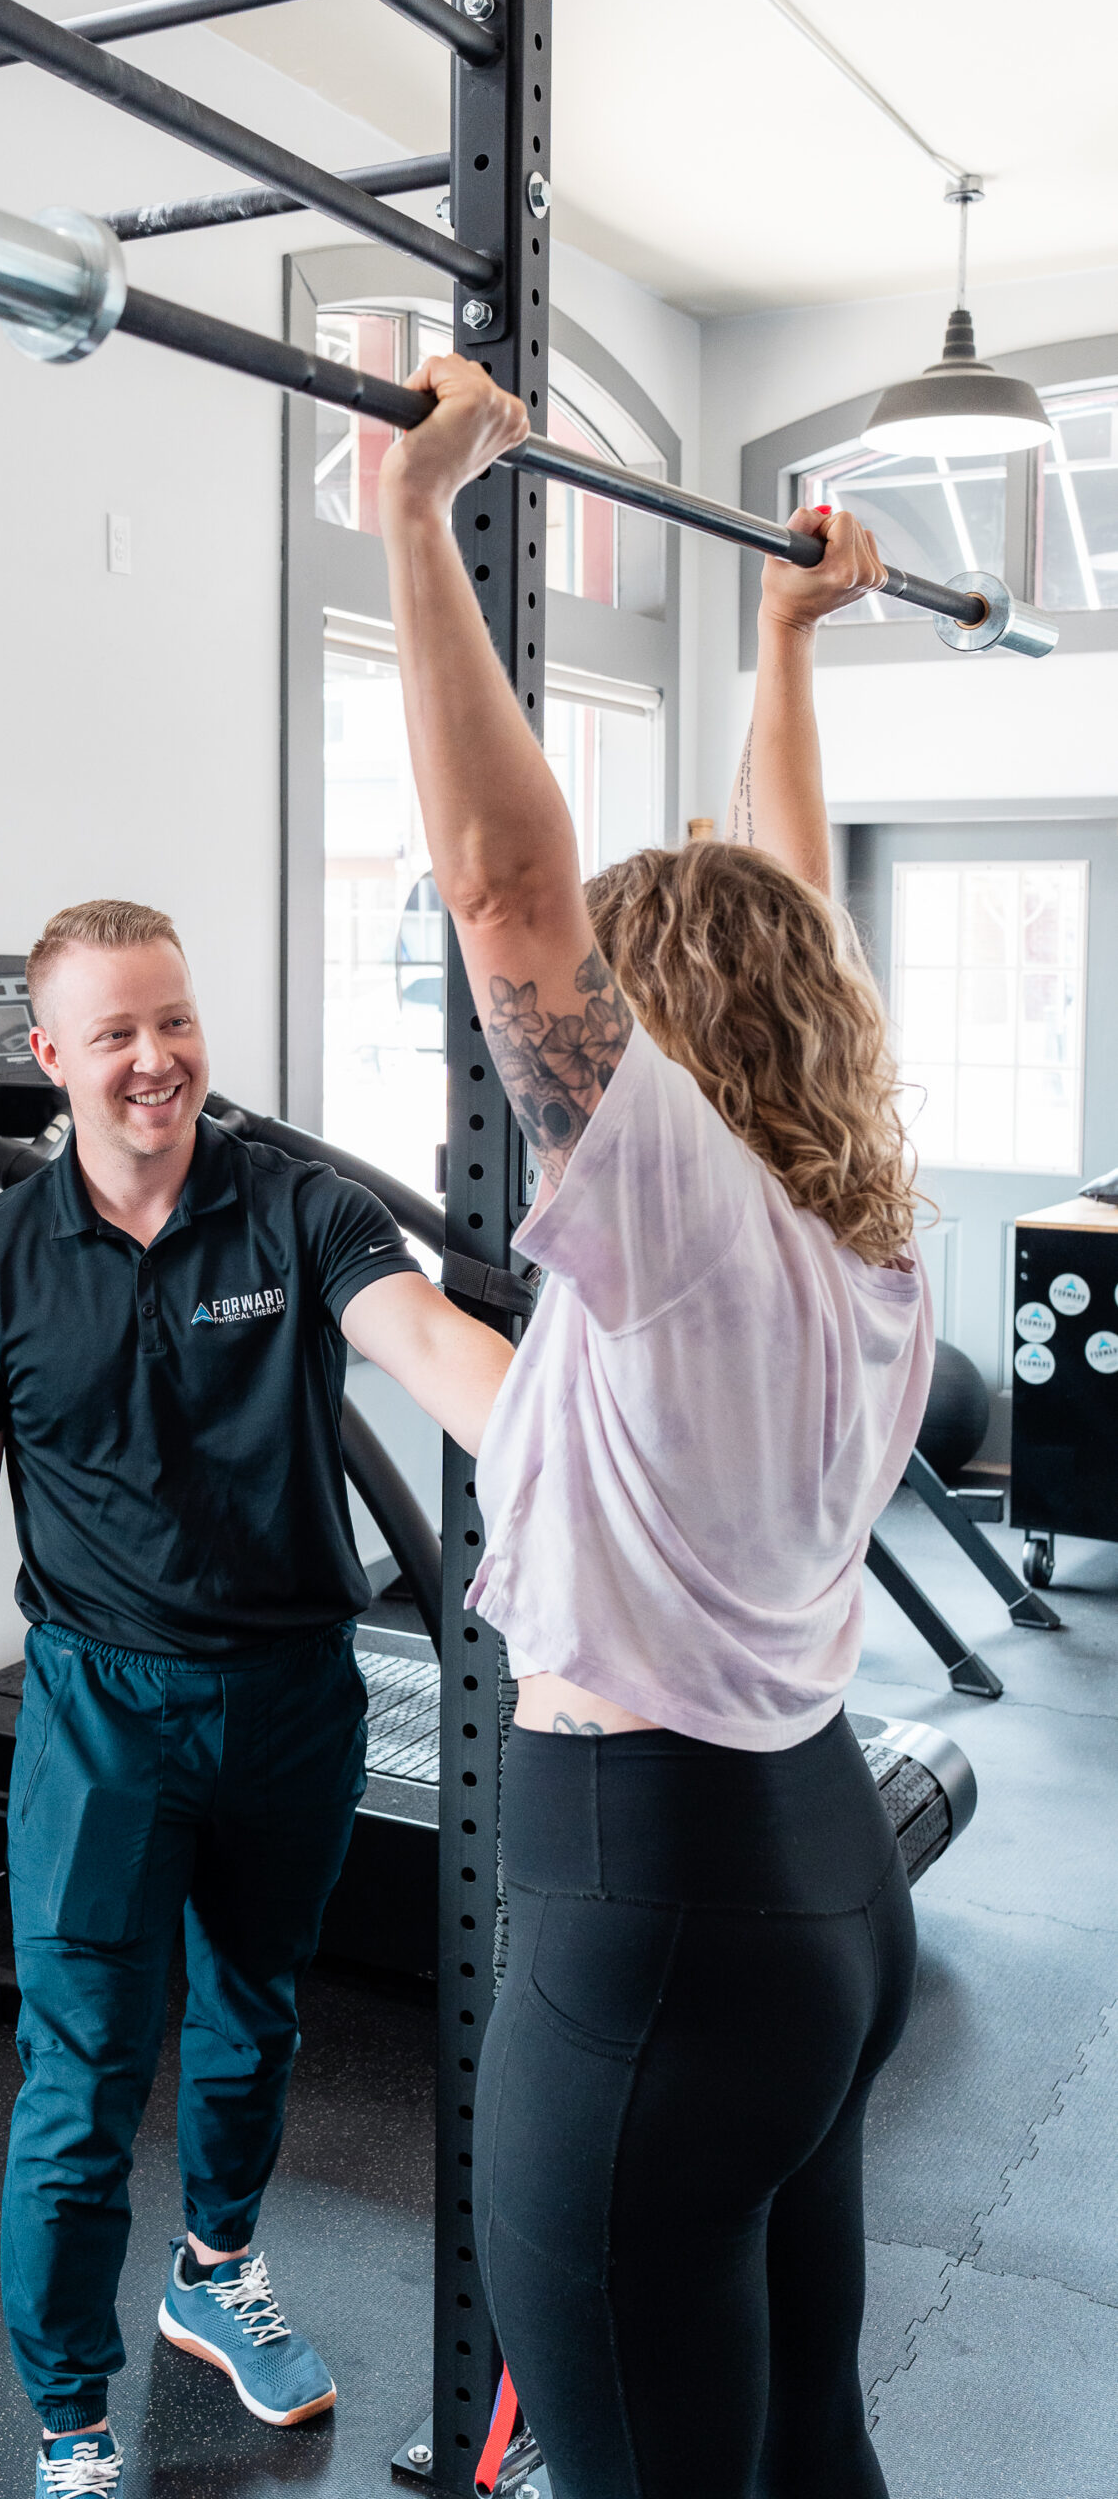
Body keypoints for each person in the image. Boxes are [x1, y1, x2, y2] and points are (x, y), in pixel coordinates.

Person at [377, 356, 930, 2499]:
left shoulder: (692, 1234)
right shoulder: (852, 1243)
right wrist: (782, 651)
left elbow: (510, 894)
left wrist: (414, 526)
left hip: (653, 1923)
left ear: (675, 1050)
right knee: (800, 2429)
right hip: (815, 1884)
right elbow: (785, 900)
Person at [0, 899, 513, 2499]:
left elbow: (436, 1348)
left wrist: (609, 1423)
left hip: (293, 1697)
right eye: (115, 1033)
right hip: (99, 1715)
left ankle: (215, 2273)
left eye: (175, 1021)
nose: (157, 1058)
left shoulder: (297, 1214)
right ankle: (70, 2424)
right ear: (49, 1059)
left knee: (253, 2020)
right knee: (83, 2074)